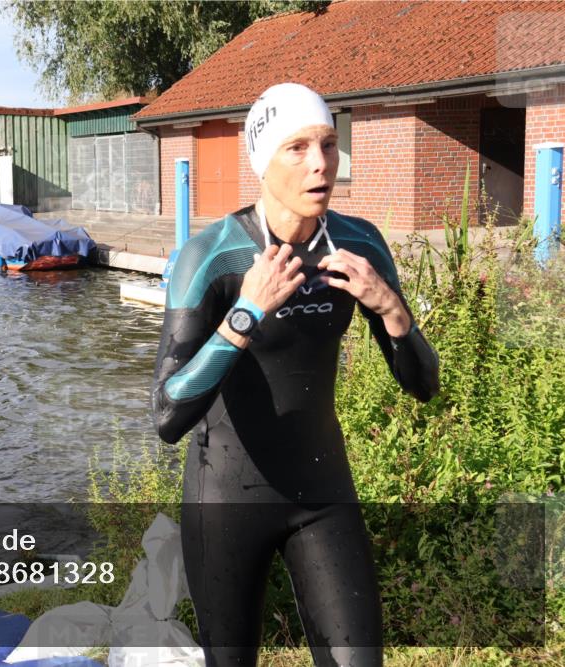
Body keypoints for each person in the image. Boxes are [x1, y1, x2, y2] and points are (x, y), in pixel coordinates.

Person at [152, 83, 439, 667]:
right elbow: (166, 413)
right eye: (298, 147)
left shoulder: (359, 244)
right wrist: (244, 317)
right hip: (225, 498)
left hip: (322, 491)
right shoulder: (212, 257)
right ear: (262, 161)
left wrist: (392, 310)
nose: (320, 163)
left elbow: (423, 386)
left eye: (330, 144)